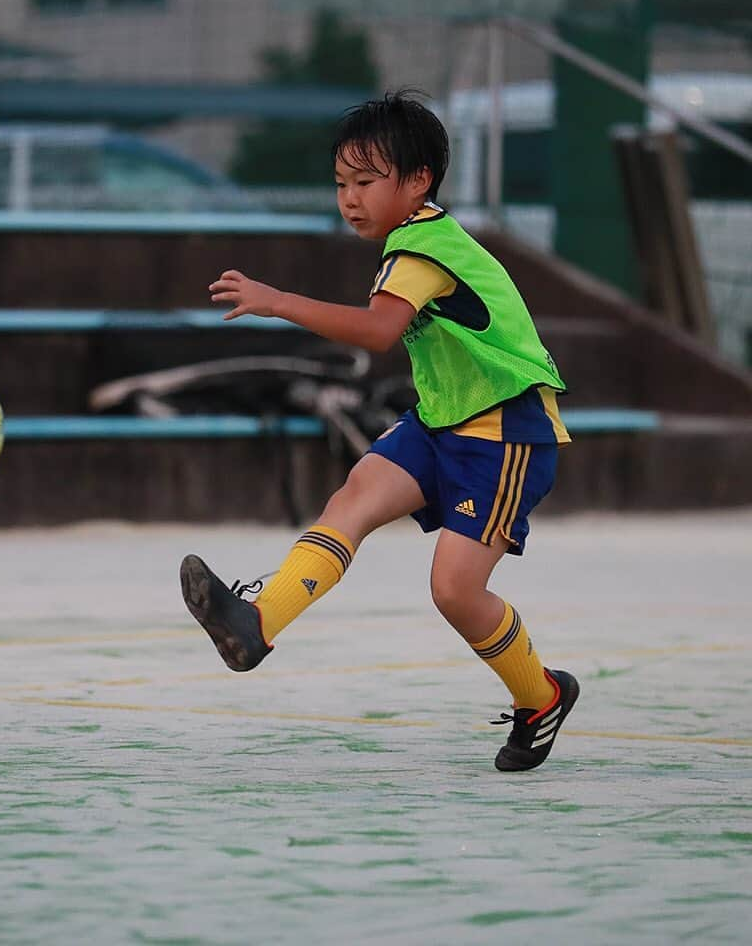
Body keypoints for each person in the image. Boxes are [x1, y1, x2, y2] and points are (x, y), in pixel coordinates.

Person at [180, 89, 578, 772]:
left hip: (506, 430)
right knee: (355, 496)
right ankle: (258, 622)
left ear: (418, 181)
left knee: (455, 591)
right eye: (341, 183)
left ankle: (540, 698)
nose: (350, 198)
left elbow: (379, 331)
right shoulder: (411, 240)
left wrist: (278, 302)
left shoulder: (423, 246)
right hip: (441, 420)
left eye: (365, 182)